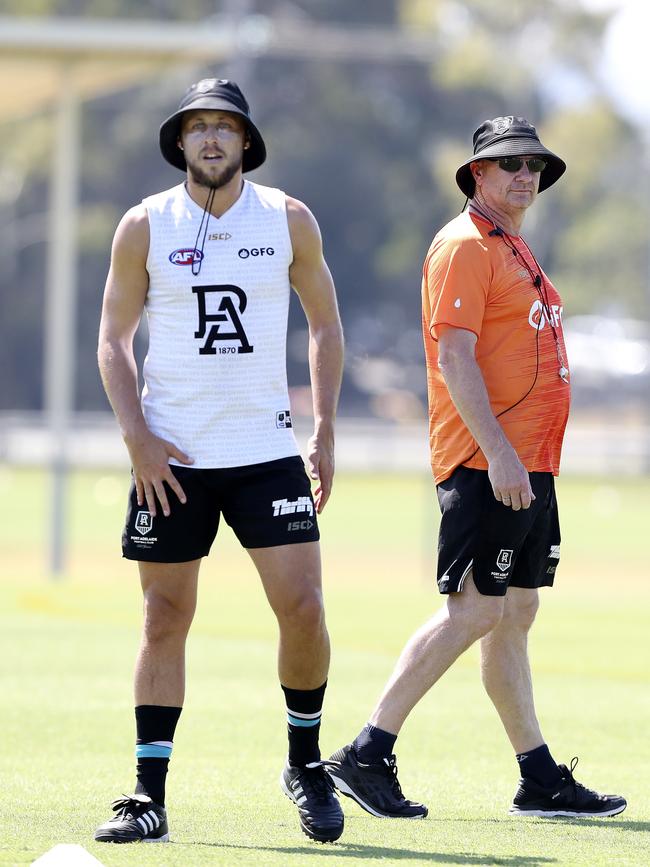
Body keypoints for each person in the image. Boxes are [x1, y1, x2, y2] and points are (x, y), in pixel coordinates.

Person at [324, 116, 626, 820]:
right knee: (476, 607)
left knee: (516, 609)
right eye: (511, 164)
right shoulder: (463, 244)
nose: (526, 176)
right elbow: (453, 356)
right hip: (488, 462)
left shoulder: (510, 243)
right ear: (478, 175)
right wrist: (497, 453)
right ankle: (366, 751)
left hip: (528, 464)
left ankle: (538, 777)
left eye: (534, 167)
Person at [94, 77, 345, 844]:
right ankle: (147, 794)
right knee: (163, 615)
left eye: (224, 128)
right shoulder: (144, 225)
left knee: (302, 608)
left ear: (245, 142)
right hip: (171, 459)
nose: (211, 139)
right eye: (198, 127)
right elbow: (113, 339)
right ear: (180, 143)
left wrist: (325, 427)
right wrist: (137, 436)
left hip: (267, 452)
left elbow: (326, 327)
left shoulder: (288, 219)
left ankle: (305, 764)